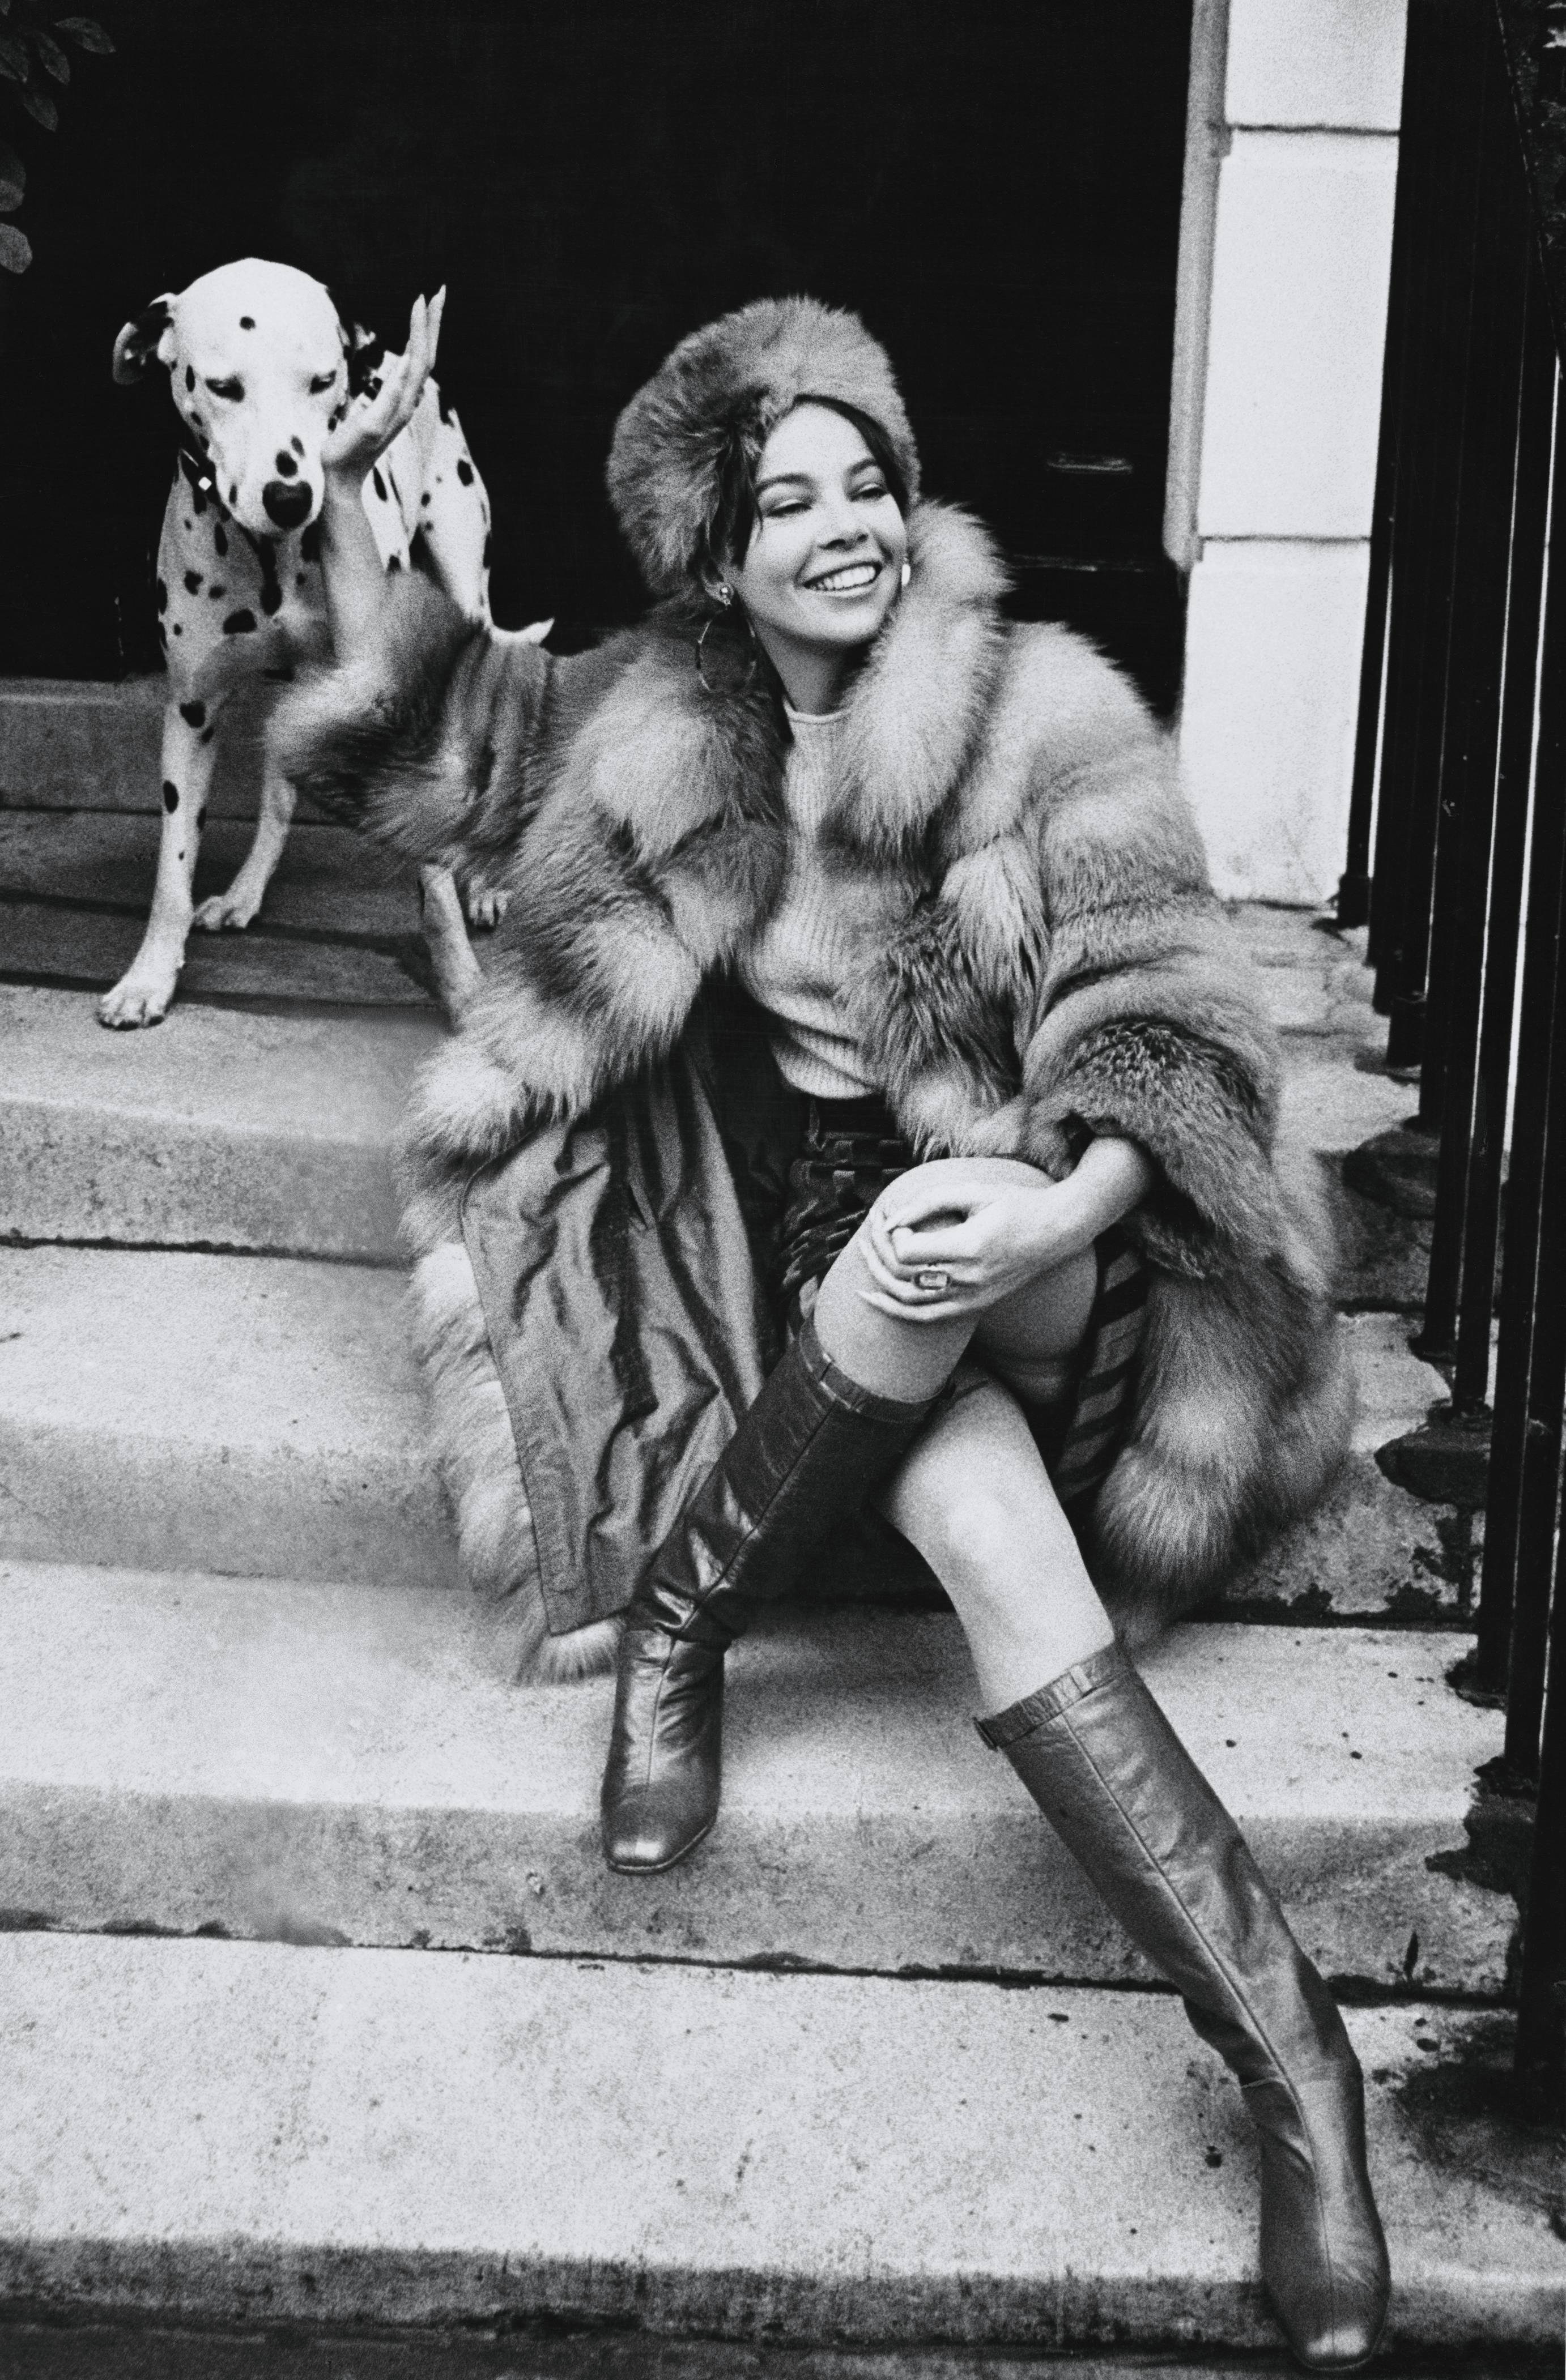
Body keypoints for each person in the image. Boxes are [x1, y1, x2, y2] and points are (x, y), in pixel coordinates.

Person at [280, 291, 1387, 2371]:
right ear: (714, 558)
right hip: (828, 1233)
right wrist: (349, 513)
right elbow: (440, 751)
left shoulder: (1037, 707)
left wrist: (1058, 1197)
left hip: (1081, 1229)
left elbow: (1166, 1005)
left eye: (864, 478)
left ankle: (692, 1611)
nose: (842, 526)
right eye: (783, 501)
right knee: (960, 1488)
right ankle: (1298, 2068)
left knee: (945, 1218)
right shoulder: (654, 722)